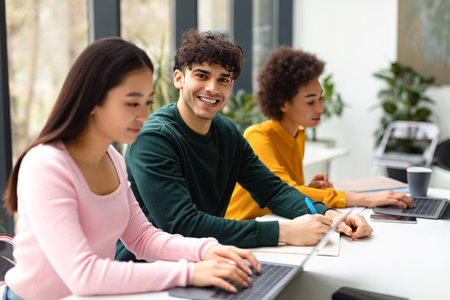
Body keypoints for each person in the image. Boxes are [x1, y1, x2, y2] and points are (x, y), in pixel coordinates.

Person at [1, 37, 262, 300]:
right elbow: (83, 275)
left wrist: (206, 250)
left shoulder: (112, 157)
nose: (144, 117)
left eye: (147, 103)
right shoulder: (46, 165)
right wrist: (190, 273)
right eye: (131, 103)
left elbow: (142, 238)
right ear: (92, 100)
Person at [115, 29, 372, 262]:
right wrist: (283, 231)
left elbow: (272, 190)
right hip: (144, 270)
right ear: (179, 78)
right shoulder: (154, 139)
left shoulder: (227, 132)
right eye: (202, 76)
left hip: (201, 261)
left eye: (224, 79)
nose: (212, 88)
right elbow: (181, 225)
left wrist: (331, 216)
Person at [225, 46, 414, 221]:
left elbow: (289, 193)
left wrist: (308, 189)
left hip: (278, 223)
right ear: (283, 103)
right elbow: (285, 191)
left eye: (320, 99)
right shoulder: (258, 136)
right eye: (310, 102)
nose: (320, 108)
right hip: (243, 232)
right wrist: (365, 198)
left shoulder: (298, 134)